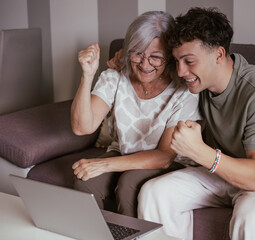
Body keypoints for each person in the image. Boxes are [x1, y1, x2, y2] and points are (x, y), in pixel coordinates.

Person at [137, 7, 255, 240]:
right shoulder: (198, 82)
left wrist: (200, 152)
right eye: (177, 61)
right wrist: (120, 61)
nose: (181, 71)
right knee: (154, 192)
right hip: (225, 170)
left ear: (219, 55)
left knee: (251, 219)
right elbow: (150, 67)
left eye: (189, 61)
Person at [70, 11, 201, 217]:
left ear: (170, 55)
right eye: (137, 53)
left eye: (156, 57)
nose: (145, 64)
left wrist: (103, 164)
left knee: (129, 184)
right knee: (85, 179)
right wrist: (87, 75)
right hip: (124, 153)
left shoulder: (183, 90)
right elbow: (82, 127)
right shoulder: (115, 76)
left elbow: (164, 157)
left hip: (169, 161)